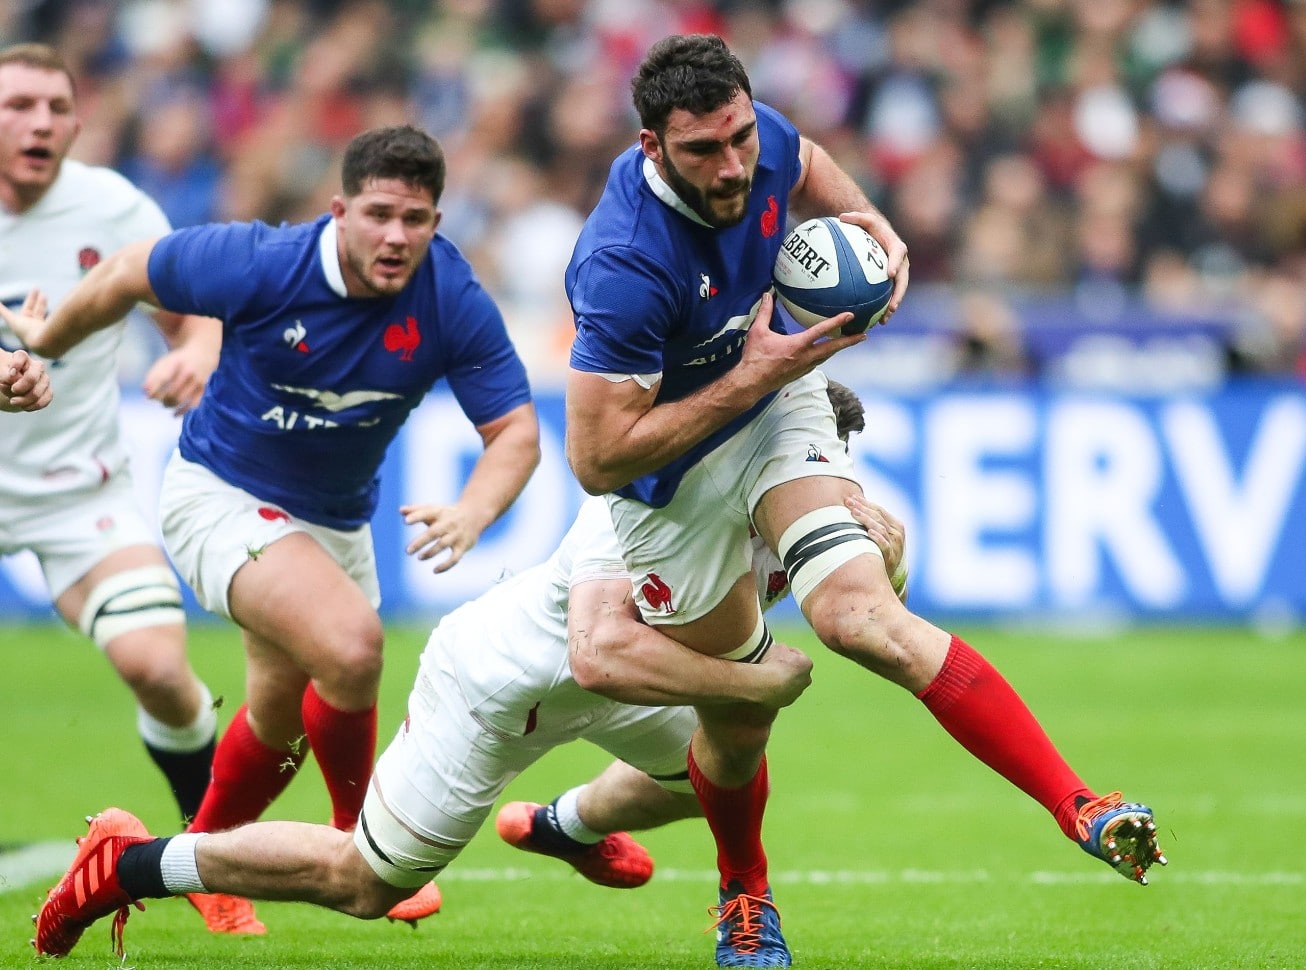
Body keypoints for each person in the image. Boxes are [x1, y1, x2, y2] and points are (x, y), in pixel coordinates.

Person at [562, 34, 1165, 966]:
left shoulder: (757, 135)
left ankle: (1078, 804)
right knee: (738, 715)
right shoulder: (623, 265)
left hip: (774, 397)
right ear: (652, 148)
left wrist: (875, 225)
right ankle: (742, 885)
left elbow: (805, 159)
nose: (732, 166)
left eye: (737, 138)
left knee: (857, 618)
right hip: (667, 474)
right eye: (702, 152)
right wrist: (751, 372)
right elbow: (599, 459)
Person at [28, 384, 907, 962]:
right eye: (810, 457)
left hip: (619, 687)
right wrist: (758, 685)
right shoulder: (655, 497)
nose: (819, 476)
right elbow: (602, 656)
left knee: (713, 774)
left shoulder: (808, 507)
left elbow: (843, 603)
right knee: (365, 884)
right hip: (503, 687)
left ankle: (562, 826)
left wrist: (883, 566)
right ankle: (129, 864)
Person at [5, 123, 540, 933]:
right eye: (379, 214)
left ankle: (184, 859)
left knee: (281, 716)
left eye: (417, 219)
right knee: (354, 645)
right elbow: (123, 274)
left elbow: (516, 434)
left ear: (438, 221)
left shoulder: (450, 296)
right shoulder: (261, 261)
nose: (397, 236)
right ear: (338, 211)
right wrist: (46, 339)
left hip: (333, 522)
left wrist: (475, 510)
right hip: (218, 494)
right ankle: (361, 838)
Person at [0, 44, 222, 834]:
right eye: (18, 105)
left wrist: (194, 355)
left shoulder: (114, 208)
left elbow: (191, 312)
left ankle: (209, 844)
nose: (40, 123)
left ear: (77, 123)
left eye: (56, 109)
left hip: (75, 489)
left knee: (160, 668)